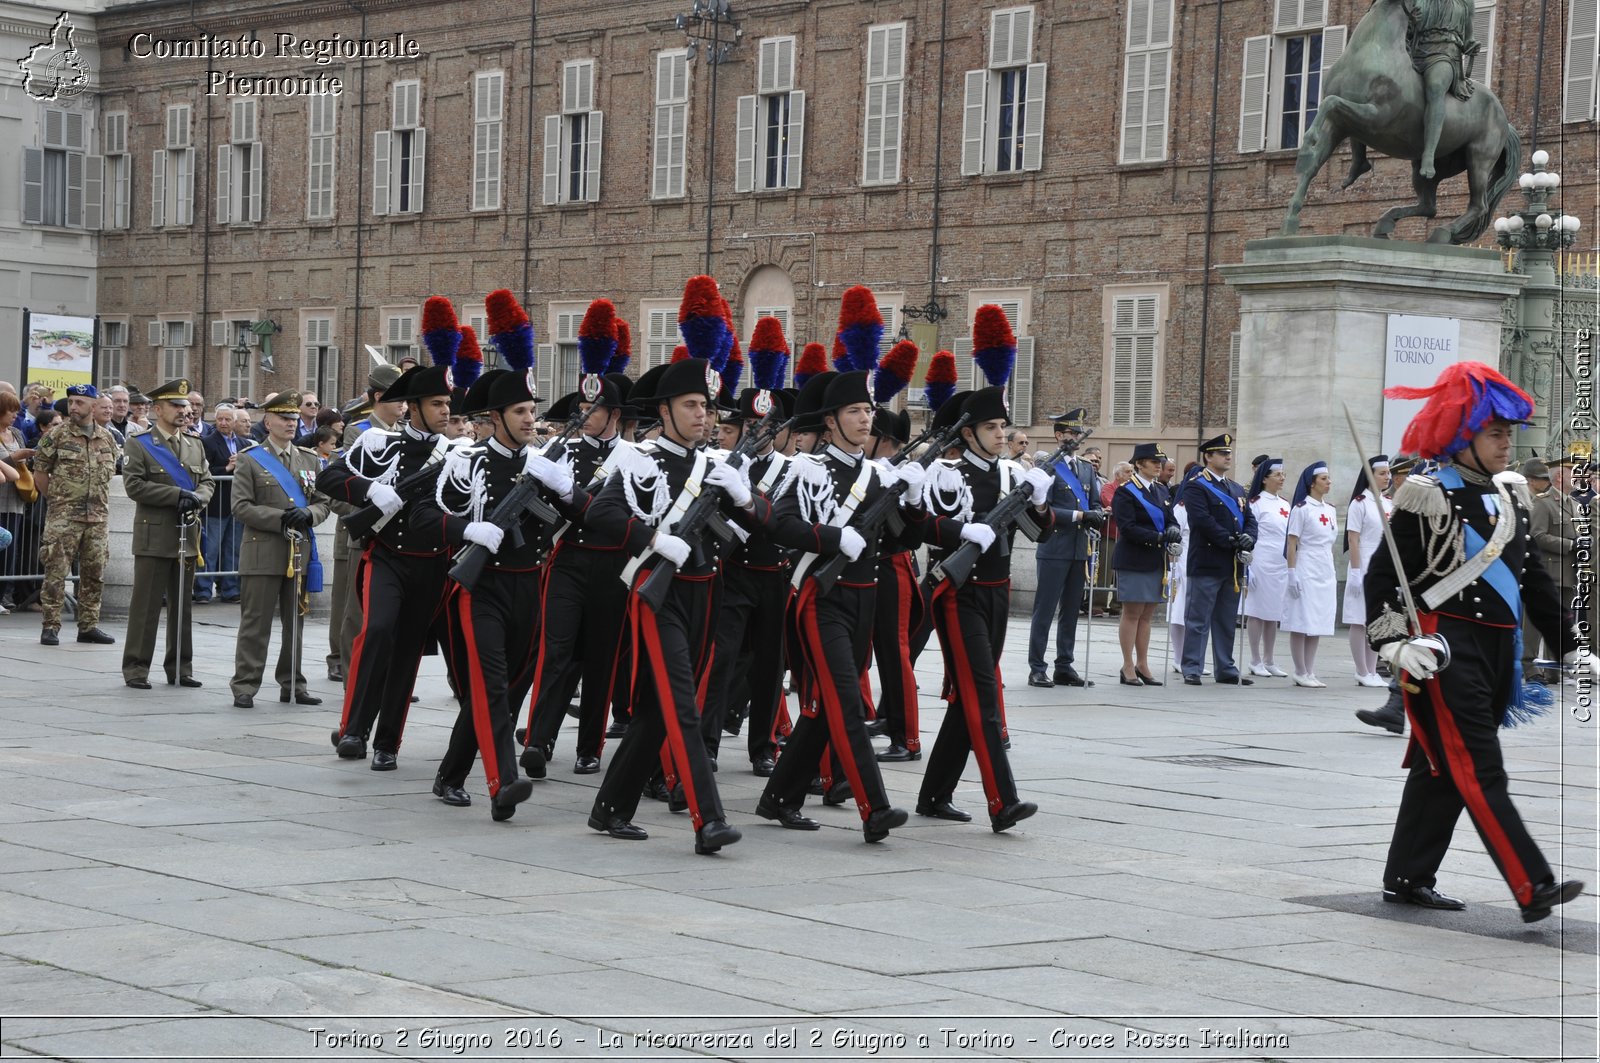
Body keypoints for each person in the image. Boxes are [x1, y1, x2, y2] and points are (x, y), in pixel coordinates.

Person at [1364, 361, 1584, 922]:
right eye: (1495, 433)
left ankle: (1408, 875)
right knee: (1479, 767)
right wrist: (1392, 646)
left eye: (1509, 433)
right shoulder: (1427, 494)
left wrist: (1571, 646)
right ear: (1464, 436)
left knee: (1440, 768)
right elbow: (1383, 577)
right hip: (1442, 649)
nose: (1506, 443)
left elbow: (1532, 578)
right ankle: (1532, 884)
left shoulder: (1511, 496)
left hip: (1498, 651)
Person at [582, 354, 747, 854]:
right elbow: (602, 512)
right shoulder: (641, 459)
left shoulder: (715, 465)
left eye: (707, 406)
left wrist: (743, 503)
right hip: (660, 593)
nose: (703, 415)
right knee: (683, 706)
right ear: (666, 410)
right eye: (691, 405)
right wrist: (654, 539)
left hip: (706, 591)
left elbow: (748, 530)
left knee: (657, 710)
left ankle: (610, 807)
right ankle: (709, 819)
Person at [751, 369, 920, 842]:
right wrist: (830, 536)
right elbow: (778, 524)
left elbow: (899, 541)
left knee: (827, 707)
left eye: (868, 411)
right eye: (854, 411)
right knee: (846, 702)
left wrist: (913, 499)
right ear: (830, 421)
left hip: (864, 598)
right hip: (820, 599)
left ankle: (780, 795)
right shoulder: (807, 467)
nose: (866, 419)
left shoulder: (875, 474)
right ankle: (875, 807)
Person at [916, 380, 1053, 831]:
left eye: (1002, 426)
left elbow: (1040, 532)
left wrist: (1039, 501)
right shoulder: (946, 473)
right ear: (968, 433)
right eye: (990, 427)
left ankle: (935, 794)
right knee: (983, 694)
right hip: (959, 593)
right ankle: (1003, 800)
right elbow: (923, 526)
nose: (1000, 434)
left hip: (996, 591)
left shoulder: (1014, 474)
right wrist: (960, 533)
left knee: (968, 697)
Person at [322, 358, 457, 773]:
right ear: (412, 407)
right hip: (388, 557)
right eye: (436, 403)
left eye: (447, 403)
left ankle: (387, 743)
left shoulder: (455, 453)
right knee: (378, 631)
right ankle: (355, 729)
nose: (446, 411)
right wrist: (371, 490)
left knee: (408, 653)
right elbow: (329, 478)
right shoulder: (379, 444)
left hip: (432, 565)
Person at [229, 392, 333, 709]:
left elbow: (323, 502)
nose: (290, 423)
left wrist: (310, 515)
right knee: (255, 623)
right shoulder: (250, 458)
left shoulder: (309, 459)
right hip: (263, 551)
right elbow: (240, 506)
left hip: (298, 552)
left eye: (293, 418)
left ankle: (293, 683)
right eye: (284, 418)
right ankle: (245, 685)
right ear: (268, 421)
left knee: (296, 622)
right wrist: (281, 518)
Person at [121, 379, 215, 688]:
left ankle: (180, 667)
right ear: (157, 409)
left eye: (185, 406)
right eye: (176, 406)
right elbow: (134, 485)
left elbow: (208, 481)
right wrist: (176, 496)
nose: (183, 411)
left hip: (187, 535)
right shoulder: (141, 443)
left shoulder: (194, 443)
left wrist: (197, 498)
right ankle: (136, 668)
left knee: (182, 606)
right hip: (154, 535)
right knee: (146, 606)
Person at [327, 365, 405, 682]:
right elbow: (341, 487)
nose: (404, 404)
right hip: (365, 534)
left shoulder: (404, 433)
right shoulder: (358, 432)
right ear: (378, 396)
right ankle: (353, 675)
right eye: (398, 397)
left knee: (390, 614)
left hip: (397, 534)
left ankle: (386, 675)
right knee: (357, 613)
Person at [30, 384, 118, 647]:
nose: (74, 407)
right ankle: (50, 626)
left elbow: (110, 474)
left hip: (97, 516)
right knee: (56, 572)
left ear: (93, 405)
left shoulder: (107, 438)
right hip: (64, 516)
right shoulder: (56, 436)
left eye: (80, 402)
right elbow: (40, 475)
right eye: (71, 402)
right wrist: (58, 502)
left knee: (94, 572)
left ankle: (89, 625)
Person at [1027, 409, 1107, 688]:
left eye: (1078, 433)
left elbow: (1094, 501)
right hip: (1054, 544)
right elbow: (1042, 507)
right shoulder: (1048, 466)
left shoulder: (1085, 467)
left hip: (1078, 547)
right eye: (1071, 433)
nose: (1076, 438)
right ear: (1059, 435)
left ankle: (1065, 665)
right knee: (1045, 610)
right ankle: (1037, 667)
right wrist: (1080, 516)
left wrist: (1096, 513)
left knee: (1072, 609)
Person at [1180, 434, 1258, 685]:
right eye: (1221, 453)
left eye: (1229, 453)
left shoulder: (1234, 488)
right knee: (1198, 619)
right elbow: (1201, 520)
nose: (1227, 456)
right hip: (1207, 560)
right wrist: (1230, 540)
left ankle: (1225, 668)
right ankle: (1192, 666)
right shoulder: (1196, 485)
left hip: (1232, 564)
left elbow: (1251, 519)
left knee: (1226, 620)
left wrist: (1248, 538)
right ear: (1208, 457)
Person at [1110, 443, 1176, 686]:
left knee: (1147, 615)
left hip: (1156, 558)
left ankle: (1143, 663)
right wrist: (1157, 537)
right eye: (1153, 461)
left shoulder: (1160, 491)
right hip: (1134, 558)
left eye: (1160, 461)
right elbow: (1126, 527)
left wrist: (1173, 530)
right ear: (1139, 463)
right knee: (1132, 613)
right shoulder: (1126, 491)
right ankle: (1127, 664)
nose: (1158, 465)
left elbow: (1171, 519)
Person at [1407, 0, 1479, 180]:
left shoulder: (1465, 3)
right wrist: (1410, 22)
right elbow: (1402, 27)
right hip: (1413, 52)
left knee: (1436, 87)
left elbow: (1468, 39)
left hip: (1445, 55)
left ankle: (1429, 154)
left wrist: (1471, 46)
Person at [1283, 461, 1338, 687]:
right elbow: (1292, 542)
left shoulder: (1331, 510)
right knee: (1301, 619)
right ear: (1312, 483)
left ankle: (1310, 670)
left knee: (1318, 621)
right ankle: (1299, 670)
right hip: (1306, 565)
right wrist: (1292, 573)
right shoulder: (1301, 509)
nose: (1328, 482)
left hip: (1325, 566)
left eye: (1328, 478)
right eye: (1324, 479)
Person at [1529, 453, 1581, 682]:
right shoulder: (1543, 502)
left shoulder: (1575, 504)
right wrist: (1570, 544)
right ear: (1560, 476)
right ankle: (1529, 667)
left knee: (1562, 621)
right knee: (1534, 623)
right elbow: (1537, 535)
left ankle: (1553, 670)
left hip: (1569, 572)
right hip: (1549, 572)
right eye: (1574, 472)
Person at [1343, 455, 1395, 687]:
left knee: (1376, 619)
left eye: (1388, 473)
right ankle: (1361, 670)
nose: (1388, 477)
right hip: (1363, 562)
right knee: (1358, 619)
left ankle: (1373, 670)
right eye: (1382, 473)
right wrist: (1355, 572)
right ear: (1370, 475)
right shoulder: (1359, 503)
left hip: (1382, 565)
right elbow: (1353, 539)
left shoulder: (1388, 503)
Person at [1243, 457, 1291, 677]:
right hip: (1260, 560)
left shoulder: (1285, 504)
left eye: (1282, 474)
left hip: (1279, 563)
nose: (1282, 478)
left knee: (1273, 612)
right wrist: (1248, 566)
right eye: (1278, 475)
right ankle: (1255, 659)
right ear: (1264, 479)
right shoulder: (1255, 503)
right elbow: (1251, 534)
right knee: (1257, 611)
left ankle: (1270, 658)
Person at [197, 405, 243, 603]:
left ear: (234, 421)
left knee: (233, 549)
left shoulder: (244, 443)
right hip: (216, 505)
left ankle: (230, 589)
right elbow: (204, 470)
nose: (223, 423)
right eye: (220, 419)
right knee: (211, 549)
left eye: (227, 419)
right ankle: (203, 590)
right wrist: (228, 467)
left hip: (237, 504)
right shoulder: (207, 442)